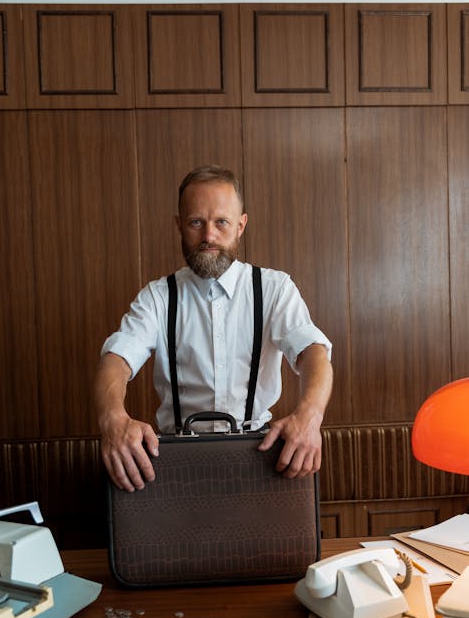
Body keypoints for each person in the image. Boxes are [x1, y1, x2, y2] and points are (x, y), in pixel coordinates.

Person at [94, 165, 333, 492]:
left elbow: (314, 355)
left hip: (261, 459)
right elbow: (116, 361)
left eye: (221, 222)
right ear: (179, 225)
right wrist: (112, 420)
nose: (208, 236)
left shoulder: (275, 289)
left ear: (240, 225)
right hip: (175, 465)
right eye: (196, 222)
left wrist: (310, 417)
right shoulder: (158, 297)